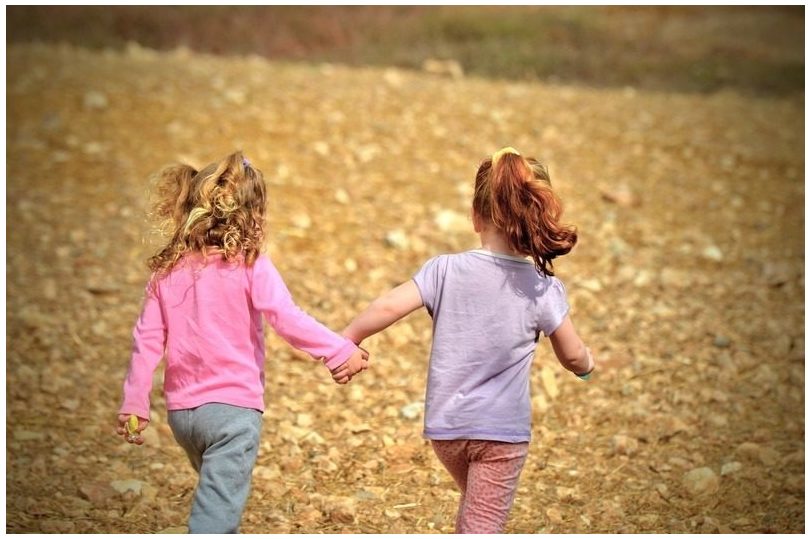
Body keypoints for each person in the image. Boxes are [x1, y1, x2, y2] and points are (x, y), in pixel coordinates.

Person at [334, 147, 594, 533]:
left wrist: (348, 338)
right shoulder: (542, 287)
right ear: (538, 217)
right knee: (481, 527)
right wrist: (587, 365)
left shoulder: (445, 270)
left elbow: (389, 305)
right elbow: (572, 356)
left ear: (475, 217)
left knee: (476, 516)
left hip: (448, 430)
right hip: (501, 435)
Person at [115, 151, 368, 533]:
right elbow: (286, 317)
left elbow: (146, 340)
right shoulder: (250, 263)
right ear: (254, 216)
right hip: (233, 412)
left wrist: (135, 403)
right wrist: (337, 351)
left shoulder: (166, 272)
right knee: (215, 514)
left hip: (183, 416)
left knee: (218, 500)